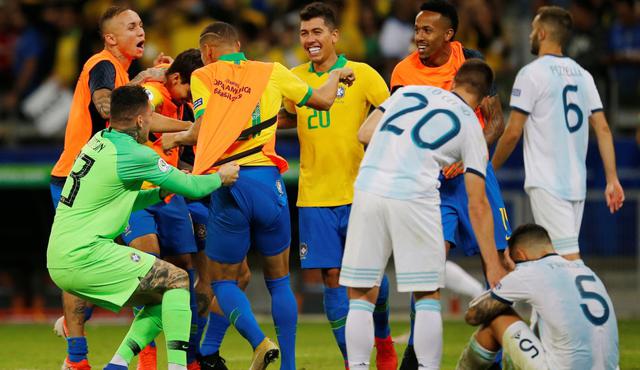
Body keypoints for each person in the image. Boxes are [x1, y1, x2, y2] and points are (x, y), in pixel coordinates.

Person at [161, 22, 355, 370]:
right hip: (269, 182)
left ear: (207, 51)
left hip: (230, 183)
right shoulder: (273, 71)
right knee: (279, 279)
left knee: (222, 280)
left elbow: (202, 130)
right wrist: (338, 73)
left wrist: (176, 139)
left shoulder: (205, 75)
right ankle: (289, 365)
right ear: (239, 45)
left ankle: (259, 342)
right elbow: (324, 101)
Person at [46, 85, 240, 370]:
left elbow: (118, 199)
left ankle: (117, 364)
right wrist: (221, 177)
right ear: (140, 120)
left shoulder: (99, 141)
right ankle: (177, 366)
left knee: (163, 296)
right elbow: (192, 187)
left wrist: (158, 194)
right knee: (178, 280)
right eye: (151, 115)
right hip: (86, 255)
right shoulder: (137, 155)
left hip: (60, 256)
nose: (152, 121)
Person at [47, 6, 190, 370]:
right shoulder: (102, 64)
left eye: (141, 24)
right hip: (81, 177)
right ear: (111, 38)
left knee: (132, 261)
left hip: (99, 178)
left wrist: (142, 77)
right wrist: (180, 126)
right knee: (137, 259)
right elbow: (108, 104)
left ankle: (82, 352)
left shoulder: (120, 70)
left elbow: (120, 98)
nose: (140, 30)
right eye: (131, 26)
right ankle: (87, 357)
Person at [342, 59, 506, 370]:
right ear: (484, 99)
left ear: (454, 81)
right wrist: (493, 264)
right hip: (415, 194)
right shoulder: (471, 124)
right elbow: (478, 203)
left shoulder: (409, 93)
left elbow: (365, 133)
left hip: (368, 186)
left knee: (361, 294)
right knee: (427, 294)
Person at [389, 2, 510, 366]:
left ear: (448, 34)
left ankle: (502, 353)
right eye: (416, 29)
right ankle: (415, 355)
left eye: (427, 30)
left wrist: (468, 155)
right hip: (432, 183)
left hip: (474, 176)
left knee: (499, 264)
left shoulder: (469, 60)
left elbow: (495, 123)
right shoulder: (402, 72)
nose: (418, 37)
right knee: (427, 268)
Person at [276, 3, 396, 369]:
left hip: (361, 191)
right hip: (314, 195)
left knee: (370, 274)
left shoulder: (362, 73)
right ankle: (352, 361)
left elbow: (392, 113)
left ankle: (383, 339)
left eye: (316, 32)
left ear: (334, 35)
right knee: (331, 276)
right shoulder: (295, 77)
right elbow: (282, 119)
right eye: (303, 33)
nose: (309, 39)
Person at [492, 5, 625, 261]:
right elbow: (603, 128)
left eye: (533, 29)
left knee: (568, 262)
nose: (530, 34)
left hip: (548, 183)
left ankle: (596, 302)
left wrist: (490, 168)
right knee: (552, 260)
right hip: (576, 185)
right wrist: (612, 178)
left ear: (542, 34)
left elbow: (512, 132)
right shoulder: (584, 75)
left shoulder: (531, 74)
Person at [118, 48, 204, 369]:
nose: (195, 98)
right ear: (177, 79)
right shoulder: (156, 92)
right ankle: (148, 357)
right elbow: (145, 113)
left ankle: (189, 355)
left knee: (183, 270)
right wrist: (187, 127)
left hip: (169, 194)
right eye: (190, 91)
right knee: (149, 268)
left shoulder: (180, 94)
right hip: (139, 193)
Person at [456, 224, 619, 369]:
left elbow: (473, 316)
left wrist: (506, 280)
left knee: (497, 316)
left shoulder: (529, 271)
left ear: (520, 255)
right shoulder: (586, 270)